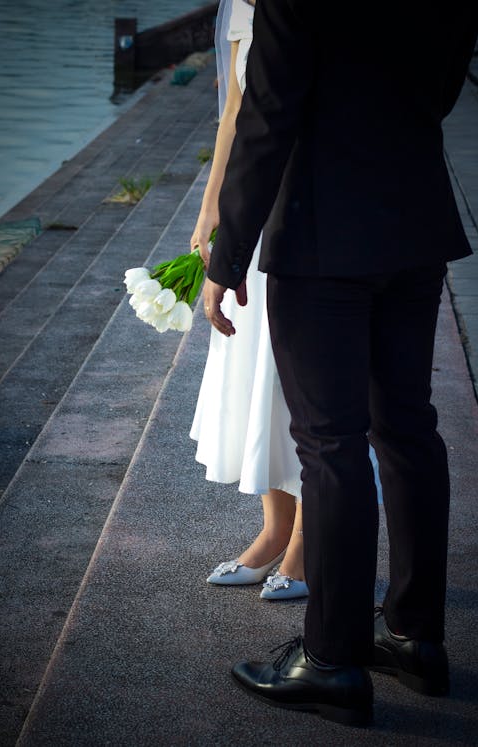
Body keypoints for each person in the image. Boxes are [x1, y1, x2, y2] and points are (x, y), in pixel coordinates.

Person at [203, 0, 478, 728]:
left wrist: (227, 254)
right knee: (409, 430)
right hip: (415, 220)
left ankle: (329, 661)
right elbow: (444, 90)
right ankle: (415, 638)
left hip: (323, 230)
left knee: (330, 445)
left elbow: (268, 113)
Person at [190, 0, 308, 600]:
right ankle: (273, 529)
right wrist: (214, 206)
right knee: (258, 364)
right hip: (250, 209)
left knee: (301, 378)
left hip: (308, 203)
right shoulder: (240, 7)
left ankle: (307, 547)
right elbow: (234, 111)